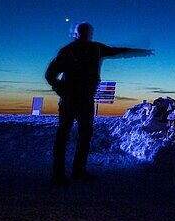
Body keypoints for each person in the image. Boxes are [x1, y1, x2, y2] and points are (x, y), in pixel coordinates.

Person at [44, 22, 153, 186]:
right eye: (85, 31)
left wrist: (139, 52)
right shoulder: (78, 50)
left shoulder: (82, 49)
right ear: (79, 33)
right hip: (73, 101)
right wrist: (62, 90)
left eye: (87, 31)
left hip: (80, 100)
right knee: (67, 137)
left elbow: (117, 51)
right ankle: (63, 174)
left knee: (81, 137)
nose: (87, 34)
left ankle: (74, 171)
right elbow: (50, 75)